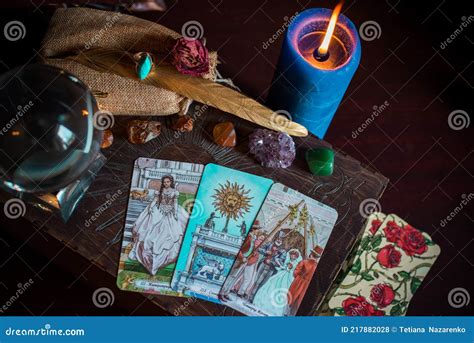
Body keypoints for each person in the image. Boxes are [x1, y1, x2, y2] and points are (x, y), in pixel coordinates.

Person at [129, 175, 189, 275]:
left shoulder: (174, 192)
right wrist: (151, 207)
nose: (166, 183)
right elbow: (155, 201)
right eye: (164, 182)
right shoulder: (159, 192)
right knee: (150, 230)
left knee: (169, 234)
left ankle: (162, 257)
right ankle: (141, 251)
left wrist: (174, 214)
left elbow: (174, 203)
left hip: (169, 212)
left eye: (168, 182)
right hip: (159, 211)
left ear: (171, 182)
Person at [253, 249, 302, 316]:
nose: (292, 256)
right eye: (292, 255)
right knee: (272, 284)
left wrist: (290, 269)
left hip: (288, 277)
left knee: (284, 290)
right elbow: (283, 265)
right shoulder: (287, 260)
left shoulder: (296, 263)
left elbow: (294, 272)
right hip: (282, 274)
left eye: (294, 256)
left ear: (296, 257)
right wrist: (283, 267)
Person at [286, 246, 322, 315]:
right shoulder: (317, 267)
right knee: (299, 302)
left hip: (298, 283)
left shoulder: (304, 262)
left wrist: (300, 275)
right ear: (317, 257)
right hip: (307, 287)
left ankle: (287, 313)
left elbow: (295, 273)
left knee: (291, 299)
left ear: (311, 254)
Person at [248, 237, 286, 302]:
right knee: (256, 281)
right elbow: (259, 249)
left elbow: (282, 262)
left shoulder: (283, 251)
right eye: (278, 239)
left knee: (262, 284)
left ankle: (254, 298)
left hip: (271, 269)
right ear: (275, 239)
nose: (279, 241)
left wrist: (272, 262)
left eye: (280, 240)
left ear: (282, 242)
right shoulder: (269, 245)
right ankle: (250, 296)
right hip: (263, 264)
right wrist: (266, 252)